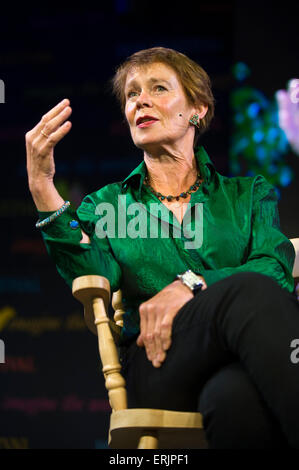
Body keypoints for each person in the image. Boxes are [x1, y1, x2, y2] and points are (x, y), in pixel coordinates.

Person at [25, 47, 299, 449]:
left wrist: (188, 284)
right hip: (160, 362)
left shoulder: (248, 195)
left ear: (198, 109)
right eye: (132, 94)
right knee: (248, 290)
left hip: (239, 367)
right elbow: (90, 271)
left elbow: (276, 268)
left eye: (158, 88)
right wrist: (42, 188)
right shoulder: (107, 206)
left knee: (235, 403)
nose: (141, 100)